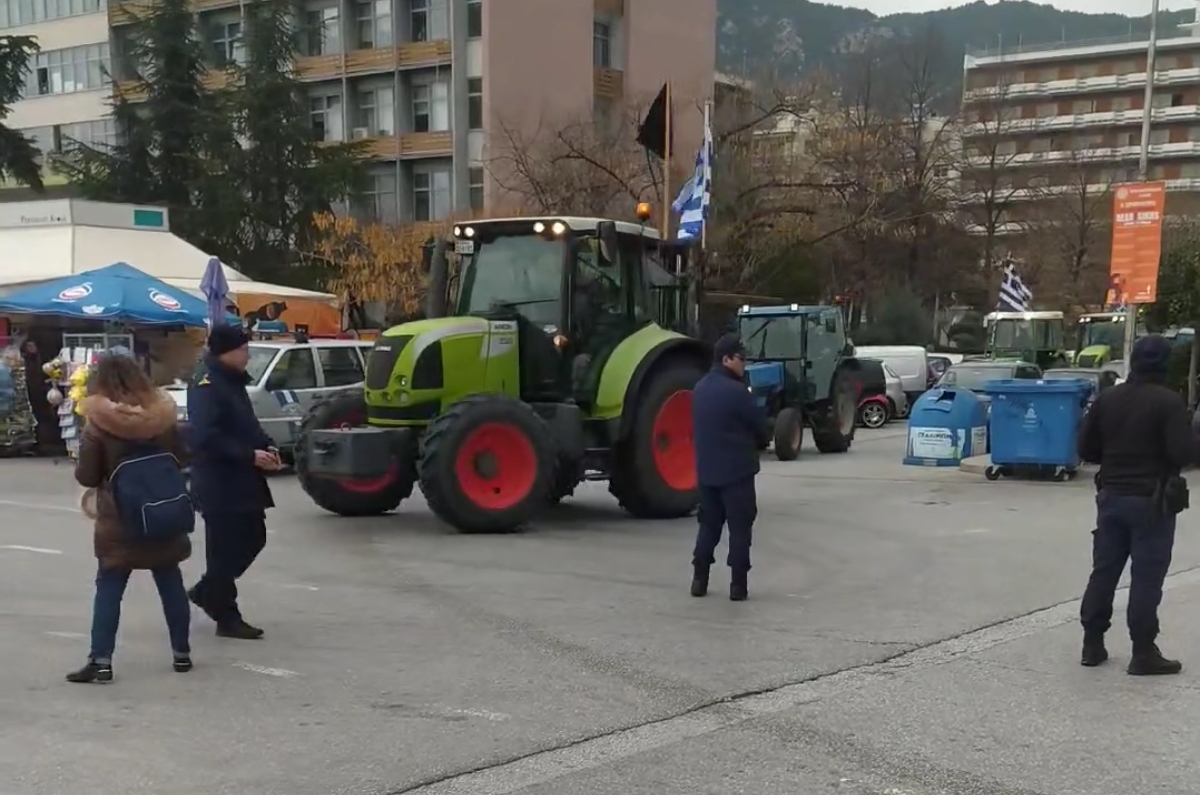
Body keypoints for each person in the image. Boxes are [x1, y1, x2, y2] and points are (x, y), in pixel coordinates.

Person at [1078, 334, 1199, 675]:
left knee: (1104, 571)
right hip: (1151, 501)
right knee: (1146, 578)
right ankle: (1143, 651)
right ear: (1165, 364)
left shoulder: (1107, 399)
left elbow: (1086, 449)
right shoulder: (1168, 402)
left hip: (1111, 497)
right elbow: (1183, 452)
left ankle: (1092, 643)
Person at [69, 354, 193, 683]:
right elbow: (182, 457)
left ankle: (101, 661)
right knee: (170, 580)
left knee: (110, 586)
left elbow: (86, 475)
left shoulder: (98, 424)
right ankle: (181, 653)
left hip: (120, 519)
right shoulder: (161, 415)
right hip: (162, 509)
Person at [187, 324, 281, 640]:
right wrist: (248, 455)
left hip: (242, 479)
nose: (247, 355)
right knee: (224, 548)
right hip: (219, 481)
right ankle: (226, 614)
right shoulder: (207, 383)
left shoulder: (232, 380)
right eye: (243, 349)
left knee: (254, 537)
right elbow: (204, 436)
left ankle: (208, 591)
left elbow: (246, 424)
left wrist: (267, 446)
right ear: (226, 351)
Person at [690, 333, 769, 601]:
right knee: (739, 529)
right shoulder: (738, 392)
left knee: (708, 526)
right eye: (741, 358)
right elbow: (761, 429)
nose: (744, 363)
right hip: (737, 473)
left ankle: (699, 580)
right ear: (726, 359)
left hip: (707, 472)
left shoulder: (699, 389)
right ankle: (738, 585)